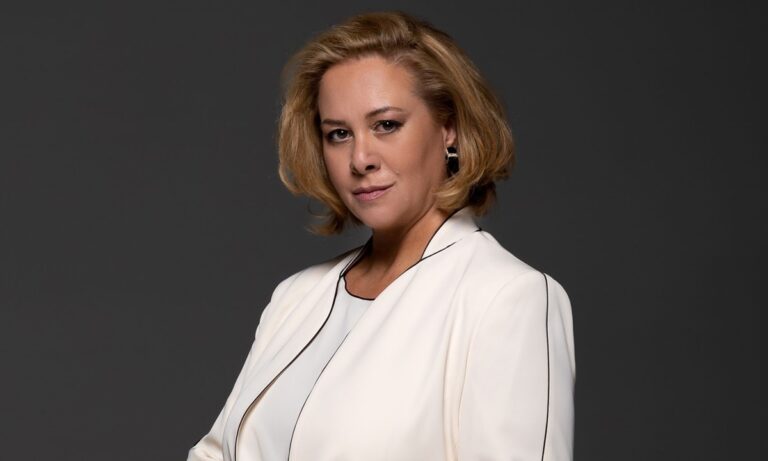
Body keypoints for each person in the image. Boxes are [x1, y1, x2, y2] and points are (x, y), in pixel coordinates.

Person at [187, 11, 575, 461]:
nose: (360, 158)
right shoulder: (297, 297)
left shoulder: (506, 298)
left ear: (448, 129)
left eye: (386, 125)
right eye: (338, 134)